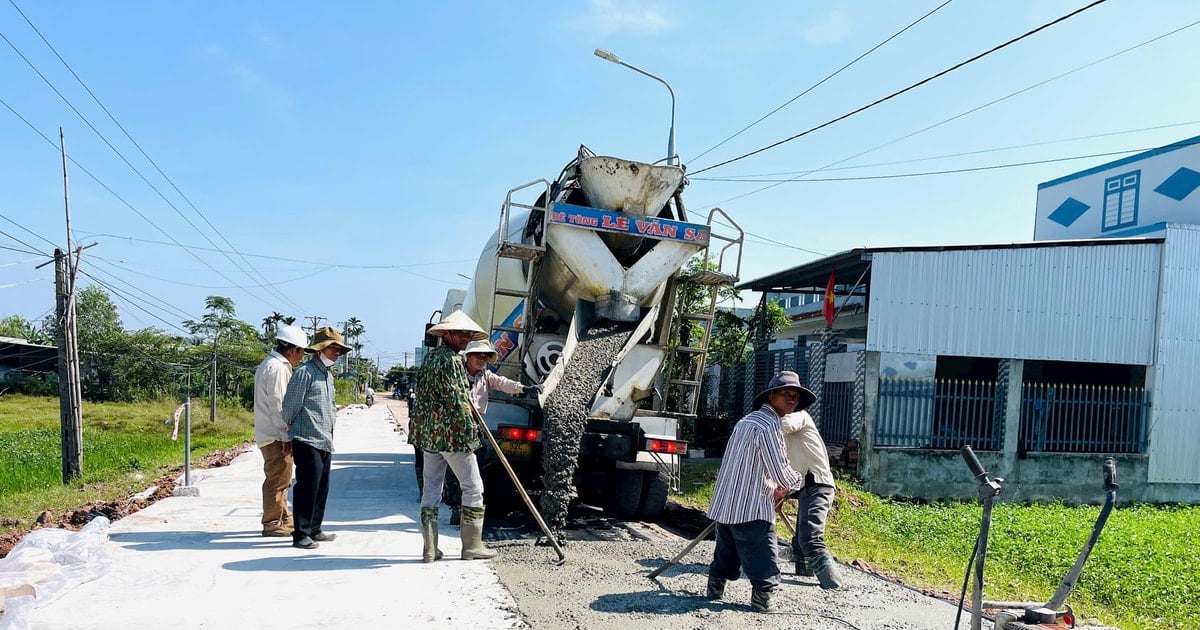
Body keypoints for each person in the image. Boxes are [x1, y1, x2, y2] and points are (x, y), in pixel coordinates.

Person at [705, 370, 814, 614]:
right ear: (771, 396)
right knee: (763, 557)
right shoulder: (768, 427)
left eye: (795, 396)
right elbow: (780, 470)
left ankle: (714, 591)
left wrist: (780, 485)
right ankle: (763, 602)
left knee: (726, 553)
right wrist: (799, 482)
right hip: (751, 506)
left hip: (727, 503)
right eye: (786, 394)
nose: (791, 400)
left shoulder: (746, 421)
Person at [408, 310, 496, 562]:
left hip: (430, 437)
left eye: (469, 334)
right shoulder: (454, 361)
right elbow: (459, 401)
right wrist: (471, 433)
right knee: (473, 487)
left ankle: (429, 548)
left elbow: (424, 400)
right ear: (447, 333)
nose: (466, 338)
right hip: (451, 436)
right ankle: (471, 547)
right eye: (461, 333)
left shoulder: (430, 359)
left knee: (431, 489)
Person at [442, 339, 541, 525]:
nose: (481, 359)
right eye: (477, 355)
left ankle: (468, 510)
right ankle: (456, 507)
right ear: (468, 356)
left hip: (475, 426)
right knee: (454, 471)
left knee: (474, 470)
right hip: (454, 428)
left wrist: (525, 388)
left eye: (485, 357)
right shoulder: (456, 374)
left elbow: (504, 383)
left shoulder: (485, 376)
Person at [282, 326, 351, 550]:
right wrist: (293, 430)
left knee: (321, 487)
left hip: (324, 439)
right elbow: (289, 408)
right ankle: (301, 533)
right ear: (319, 349)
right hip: (306, 438)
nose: (336, 353)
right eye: (332, 348)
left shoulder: (326, 376)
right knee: (306, 488)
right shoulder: (305, 373)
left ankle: (314, 528)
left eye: (339, 349)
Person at [253, 324, 309, 537]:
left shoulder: (271, 365)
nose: (301, 357)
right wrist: (286, 436)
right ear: (293, 349)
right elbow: (279, 406)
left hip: (271, 432)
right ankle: (272, 523)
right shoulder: (277, 369)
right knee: (277, 481)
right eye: (301, 352)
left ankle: (284, 517)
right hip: (275, 435)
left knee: (283, 479)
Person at [781, 408, 841, 589]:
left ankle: (834, 584)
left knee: (810, 536)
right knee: (800, 539)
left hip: (818, 484)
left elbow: (785, 425)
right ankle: (804, 569)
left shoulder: (799, 416)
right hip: (801, 485)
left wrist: (758, 429)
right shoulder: (776, 434)